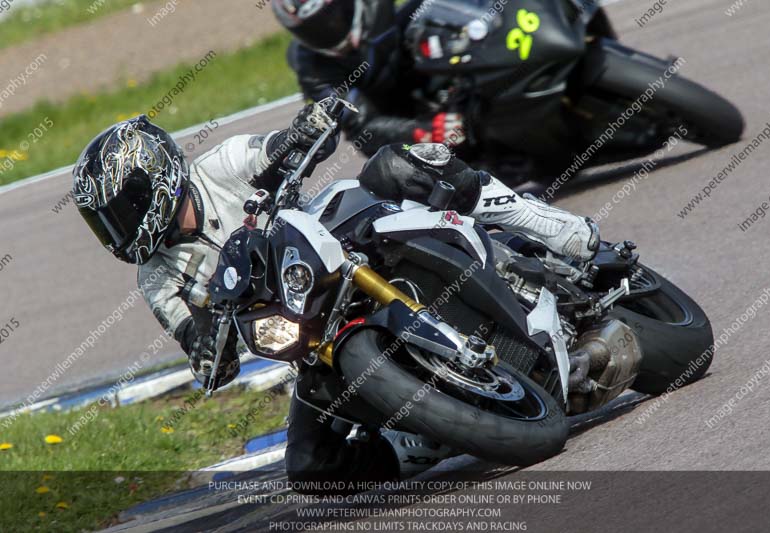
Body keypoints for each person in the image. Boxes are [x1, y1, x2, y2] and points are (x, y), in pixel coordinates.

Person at [71, 109, 597, 485]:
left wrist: (303, 131)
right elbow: (196, 344)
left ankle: (550, 227)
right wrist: (207, 351)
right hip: (299, 325)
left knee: (398, 165)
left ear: (156, 181)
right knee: (309, 466)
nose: (116, 230)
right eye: (104, 223)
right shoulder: (156, 278)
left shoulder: (220, 164)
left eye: (122, 208)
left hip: (335, 237)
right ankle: (422, 435)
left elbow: (276, 147)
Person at [273, 0, 468, 155]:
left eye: (333, 16)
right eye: (314, 30)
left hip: (419, 75)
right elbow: (362, 126)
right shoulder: (312, 69)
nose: (331, 27)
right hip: (393, 121)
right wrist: (421, 131)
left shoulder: (374, 5)